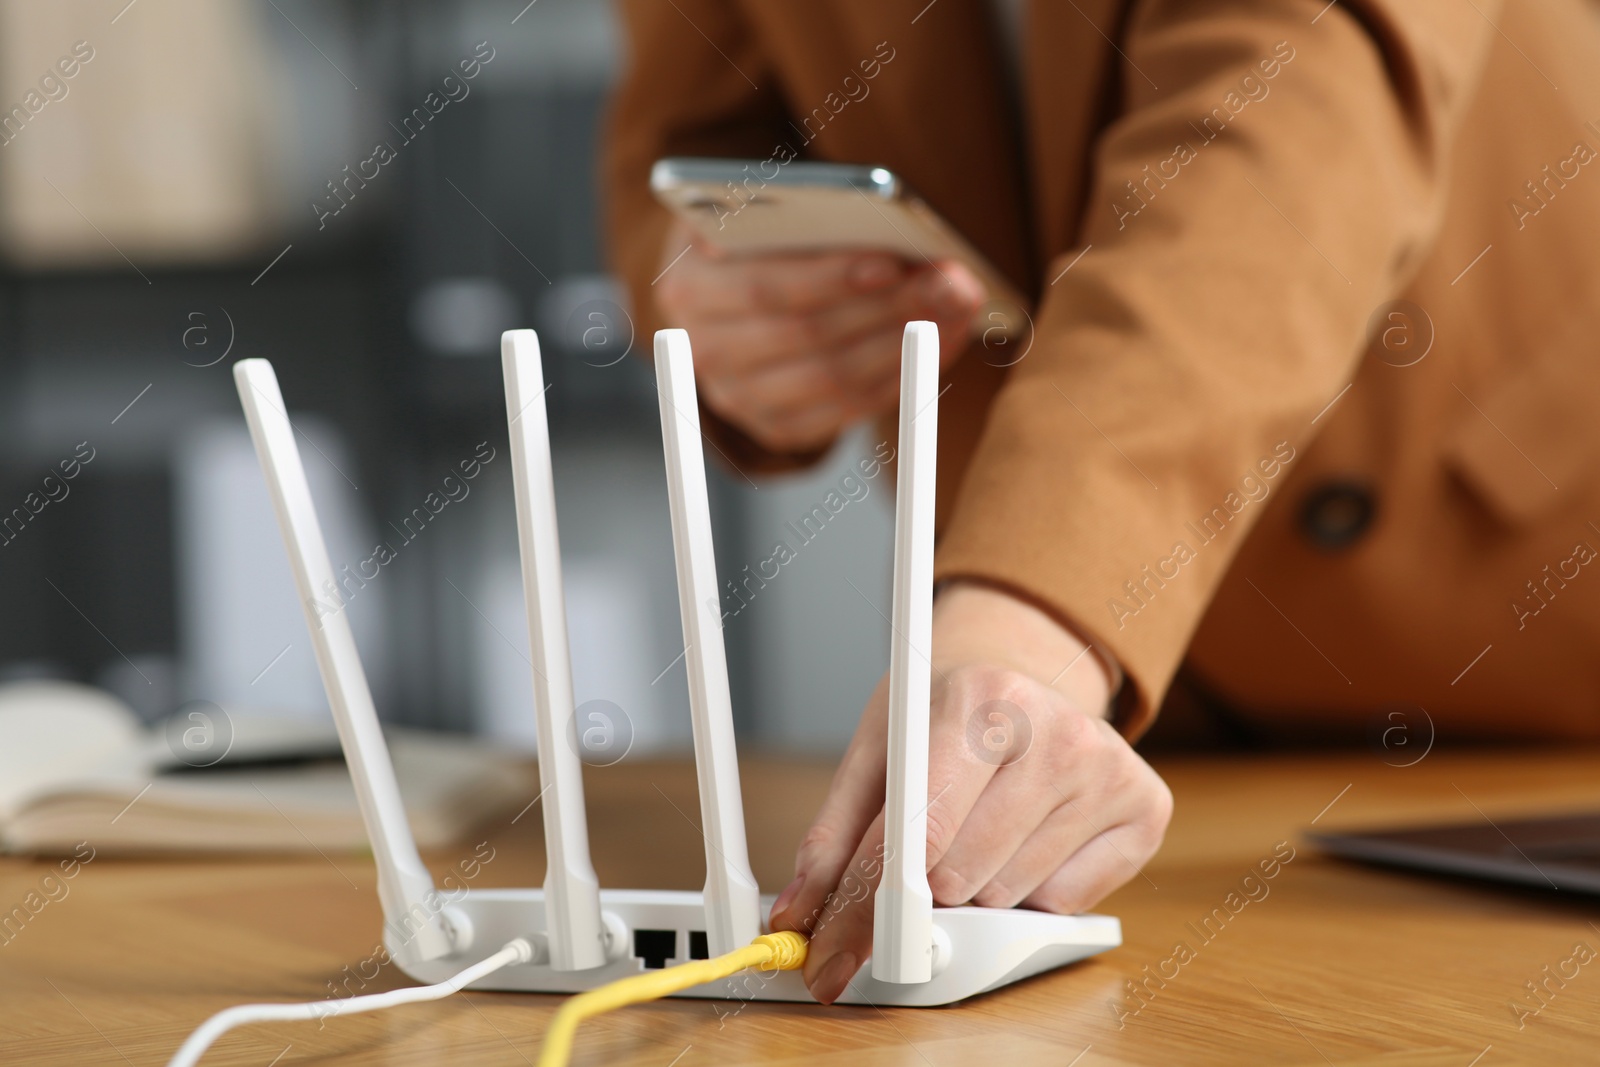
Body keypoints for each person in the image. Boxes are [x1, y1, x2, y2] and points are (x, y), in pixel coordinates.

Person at [603, 0, 1600, 1004]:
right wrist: (715, 290)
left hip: (1498, 653)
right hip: (1097, 742)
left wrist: (1029, 618)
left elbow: (1278, 120)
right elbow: (689, 127)